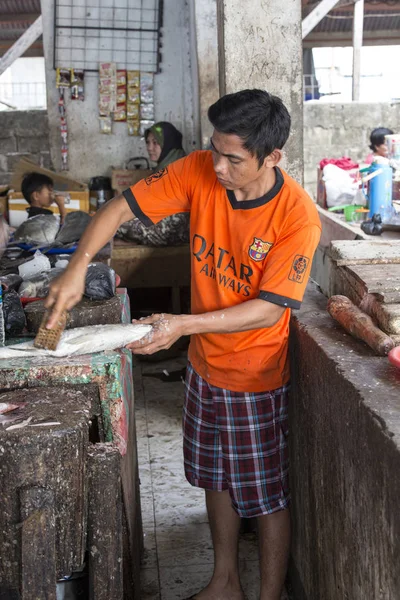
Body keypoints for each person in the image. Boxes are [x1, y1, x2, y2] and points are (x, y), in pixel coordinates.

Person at [46, 89, 321, 600]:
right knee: (213, 477)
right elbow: (117, 210)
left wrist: (180, 325)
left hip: (253, 376)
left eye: (232, 158)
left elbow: (269, 308)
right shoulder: (198, 170)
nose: (217, 166)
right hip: (203, 366)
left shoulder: (296, 216)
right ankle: (224, 582)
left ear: (273, 156)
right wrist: (75, 269)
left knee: (264, 498)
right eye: (213, 149)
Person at [117, 121, 190, 246]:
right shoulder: (165, 168)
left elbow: (169, 225)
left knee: (114, 222)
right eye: (148, 142)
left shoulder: (178, 171)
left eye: (155, 143)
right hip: (164, 228)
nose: (150, 148)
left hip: (173, 233)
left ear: (168, 144)